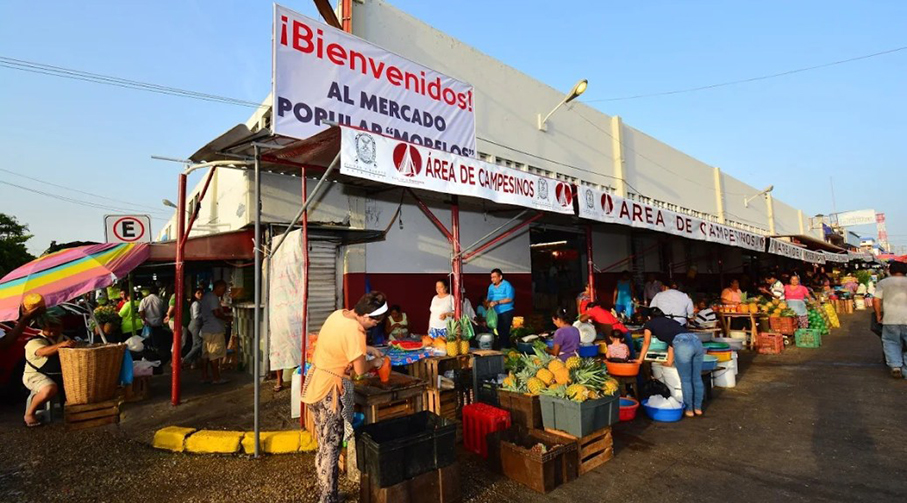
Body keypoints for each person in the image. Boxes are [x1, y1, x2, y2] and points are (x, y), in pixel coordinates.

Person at [301, 291, 388, 503]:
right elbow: (360, 370)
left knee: (324, 442)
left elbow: (339, 340)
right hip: (329, 390)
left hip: (315, 382)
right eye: (374, 322)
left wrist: (366, 348)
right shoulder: (356, 330)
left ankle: (326, 490)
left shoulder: (340, 314)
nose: (374, 326)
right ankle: (327, 498)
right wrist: (375, 362)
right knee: (331, 445)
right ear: (366, 316)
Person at [638, 308, 705, 417]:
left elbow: (646, 342)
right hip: (696, 341)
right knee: (696, 378)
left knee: (686, 380)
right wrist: (669, 362)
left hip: (683, 345)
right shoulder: (671, 322)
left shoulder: (649, 323)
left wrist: (640, 359)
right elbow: (672, 343)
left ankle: (689, 409)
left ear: (650, 317)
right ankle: (698, 408)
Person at [22, 307, 74, 427]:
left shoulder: (64, 338)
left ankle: (70, 413)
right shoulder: (34, 342)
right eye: (50, 325)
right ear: (43, 326)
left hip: (59, 374)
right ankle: (29, 414)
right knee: (50, 389)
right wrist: (61, 345)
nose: (53, 328)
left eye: (56, 325)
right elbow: (42, 352)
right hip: (35, 375)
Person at [874, 261, 907, 378]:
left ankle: (896, 366)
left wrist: (878, 315)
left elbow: (876, 300)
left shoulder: (883, 283)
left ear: (890, 270)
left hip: (890, 319)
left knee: (891, 342)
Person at [199, 280, 232, 385]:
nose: (224, 292)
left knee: (206, 355)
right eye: (223, 289)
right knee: (215, 355)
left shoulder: (206, 297)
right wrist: (227, 318)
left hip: (206, 329)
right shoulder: (213, 298)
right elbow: (216, 313)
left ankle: (205, 376)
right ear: (219, 287)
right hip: (215, 330)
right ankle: (216, 378)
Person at [487, 269, 515, 349]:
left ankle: (504, 349)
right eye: (491, 277)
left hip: (506, 311)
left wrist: (497, 302)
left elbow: (510, 298)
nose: (492, 279)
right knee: (496, 331)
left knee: (504, 331)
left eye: (494, 277)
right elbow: (488, 299)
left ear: (500, 277)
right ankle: (500, 348)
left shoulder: (507, 285)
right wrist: (488, 305)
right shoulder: (491, 287)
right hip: (495, 313)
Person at [139, 287, 169, 355]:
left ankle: (149, 352)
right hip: (158, 323)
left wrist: (144, 319)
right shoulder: (160, 300)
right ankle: (157, 352)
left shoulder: (144, 300)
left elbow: (141, 312)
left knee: (148, 340)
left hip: (148, 323)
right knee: (157, 339)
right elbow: (164, 311)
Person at [182, 287, 206, 368]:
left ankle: (193, 363)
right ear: (194, 294)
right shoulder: (196, 303)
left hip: (196, 325)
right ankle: (185, 359)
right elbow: (196, 316)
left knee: (195, 344)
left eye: (201, 293)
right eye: (198, 293)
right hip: (195, 325)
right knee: (199, 344)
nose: (200, 295)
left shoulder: (199, 303)